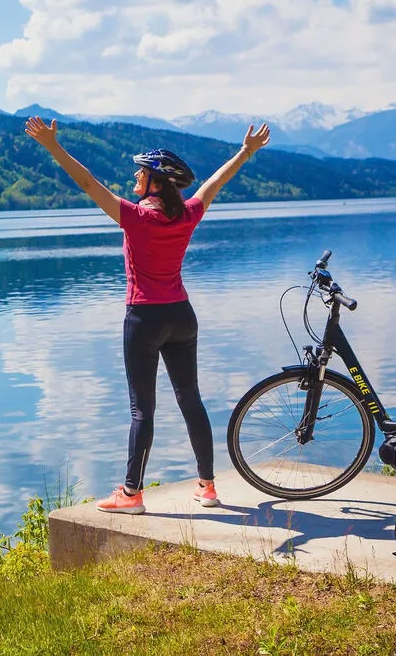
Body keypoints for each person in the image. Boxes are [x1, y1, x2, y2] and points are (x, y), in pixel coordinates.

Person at [24, 116, 271, 514]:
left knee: (143, 410)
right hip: (181, 316)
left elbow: (88, 183)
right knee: (191, 399)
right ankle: (208, 487)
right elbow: (214, 184)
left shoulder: (136, 218)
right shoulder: (187, 213)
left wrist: (52, 146)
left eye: (140, 172)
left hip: (144, 319)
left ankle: (132, 494)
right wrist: (245, 152)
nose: (134, 177)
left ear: (156, 181)